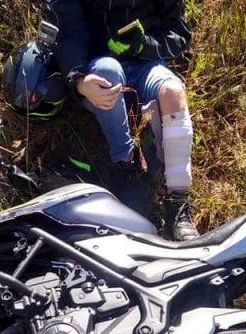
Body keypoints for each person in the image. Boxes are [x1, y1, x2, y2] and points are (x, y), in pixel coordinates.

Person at [46, 0, 199, 241]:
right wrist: (78, 80)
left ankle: (177, 202)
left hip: (147, 65)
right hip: (98, 68)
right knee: (107, 71)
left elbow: (179, 34)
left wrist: (144, 45)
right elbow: (68, 35)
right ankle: (126, 166)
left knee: (173, 92)